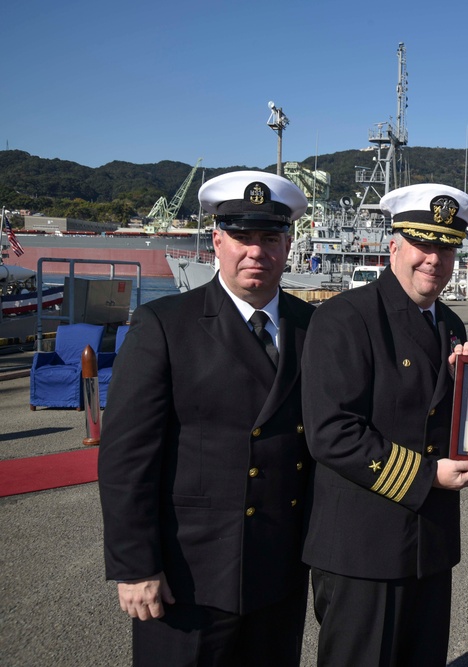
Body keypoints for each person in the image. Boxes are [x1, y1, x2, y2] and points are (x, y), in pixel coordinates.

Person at [98, 171, 316, 666]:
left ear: (288, 244)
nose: (255, 251)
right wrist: (136, 566)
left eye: (269, 237)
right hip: (189, 573)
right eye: (241, 236)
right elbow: (126, 458)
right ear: (217, 241)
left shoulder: (315, 328)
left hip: (278, 569)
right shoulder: (165, 325)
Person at [302, 183, 468, 667]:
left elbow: (442, 424)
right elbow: (332, 432)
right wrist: (430, 477)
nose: (433, 258)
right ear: (394, 246)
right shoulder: (345, 317)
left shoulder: (451, 326)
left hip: (430, 544)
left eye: (446, 247)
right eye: (423, 243)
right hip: (361, 549)